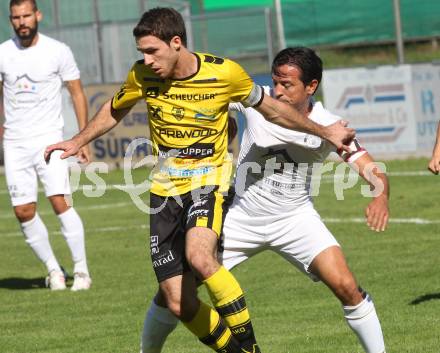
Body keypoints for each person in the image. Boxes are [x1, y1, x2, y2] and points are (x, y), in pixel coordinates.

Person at [45, 9, 354, 353]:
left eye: (152, 51)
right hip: (165, 189)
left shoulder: (224, 73)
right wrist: (77, 141)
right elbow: (116, 109)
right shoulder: (142, 75)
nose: (146, 60)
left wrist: (324, 131)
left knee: (201, 257)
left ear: (176, 43)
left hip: (209, 179)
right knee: (177, 301)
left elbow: (273, 109)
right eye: (141, 53)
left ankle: (251, 349)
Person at [139, 47, 389, 353]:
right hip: (239, 216)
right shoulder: (257, 101)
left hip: (295, 220)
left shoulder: (328, 124)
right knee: (173, 292)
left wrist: (380, 196)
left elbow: (372, 169)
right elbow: (214, 104)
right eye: (276, 82)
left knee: (347, 287)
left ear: (311, 87)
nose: (278, 91)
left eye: (288, 85)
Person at [0, 0, 91, 291]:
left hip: (49, 139)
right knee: (23, 211)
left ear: (37, 15)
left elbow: (77, 93)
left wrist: (83, 136)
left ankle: (81, 271)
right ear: (11, 19)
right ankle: (54, 270)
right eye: (16, 17)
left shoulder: (57, 51)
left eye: (27, 15)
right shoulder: (3, 53)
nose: (22, 21)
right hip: (14, 143)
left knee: (59, 201)